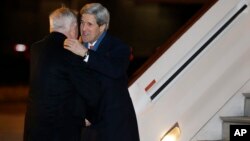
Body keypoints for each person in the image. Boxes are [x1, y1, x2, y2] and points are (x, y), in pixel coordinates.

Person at [63, 3, 140, 141]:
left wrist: (85, 53)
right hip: (87, 131)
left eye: (89, 24)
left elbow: (114, 70)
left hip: (115, 129)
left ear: (102, 27)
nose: (83, 29)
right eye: (82, 23)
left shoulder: (119, 48)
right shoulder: (77, 47)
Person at [23, 6, 101, 141]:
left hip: (34, 128)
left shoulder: (36, 49)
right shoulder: (70, 51)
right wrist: (88, 116)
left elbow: (54, 87)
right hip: (60, 132)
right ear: (73, 27)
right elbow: (90, 90)